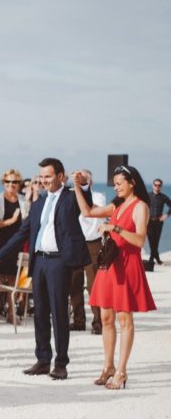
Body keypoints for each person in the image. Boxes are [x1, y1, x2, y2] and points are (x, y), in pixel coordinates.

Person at [0, 157, 92, 381]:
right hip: (39, 262)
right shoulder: (38, 204)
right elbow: (21, 234)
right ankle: (43, 360)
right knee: (41, 313)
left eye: (48, 176)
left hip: (59, 262)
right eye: (41, 177)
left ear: (60, 177)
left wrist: (83, 184)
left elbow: (87, 202)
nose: (44, 181)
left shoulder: (71, 197)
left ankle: (60, 363)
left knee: (59, 313)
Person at [72, 165, 156, 390]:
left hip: (127, 265)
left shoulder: (141, 207)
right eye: (115, 184)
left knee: (124, 320)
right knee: (106, 318)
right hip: (109, 265)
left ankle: (121, 371)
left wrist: (115, 228)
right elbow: (87, 212)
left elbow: (139, 240)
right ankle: (108, 366)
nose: (116, 187)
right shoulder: (116, 205)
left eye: (120, 183)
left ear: (132, 183)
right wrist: (77, 187)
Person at [0, 169, 30, 320]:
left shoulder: (24, 201)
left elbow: (28, 224)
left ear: (19, 184)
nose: (11, 184)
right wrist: (11, 221)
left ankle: (11, 313)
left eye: (15, 182)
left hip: (16, 243)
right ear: (3, 183)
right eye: (8, 182)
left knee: (14, 279)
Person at [68, 170, 106, 333]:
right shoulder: (70, 195)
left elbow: (91, 209)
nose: (81, 179)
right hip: (76, 243)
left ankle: (98, 322)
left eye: (84, 178)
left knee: (93, 285)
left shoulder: (98, 196)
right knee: (74, 284)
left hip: (93, 243)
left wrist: (79, 190)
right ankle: (78, 321)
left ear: (90, 180)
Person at [148, 178, 171, 265]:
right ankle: (154, 258)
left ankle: (154, 258)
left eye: (159, 185)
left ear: (161, 187)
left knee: (156, 241)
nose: (157, 187)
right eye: (155, 185)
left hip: (158, 222)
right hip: (149, 222)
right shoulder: (148, 195)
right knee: (151, 241)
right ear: (153, 186)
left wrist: (166, 215)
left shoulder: (163, 197)